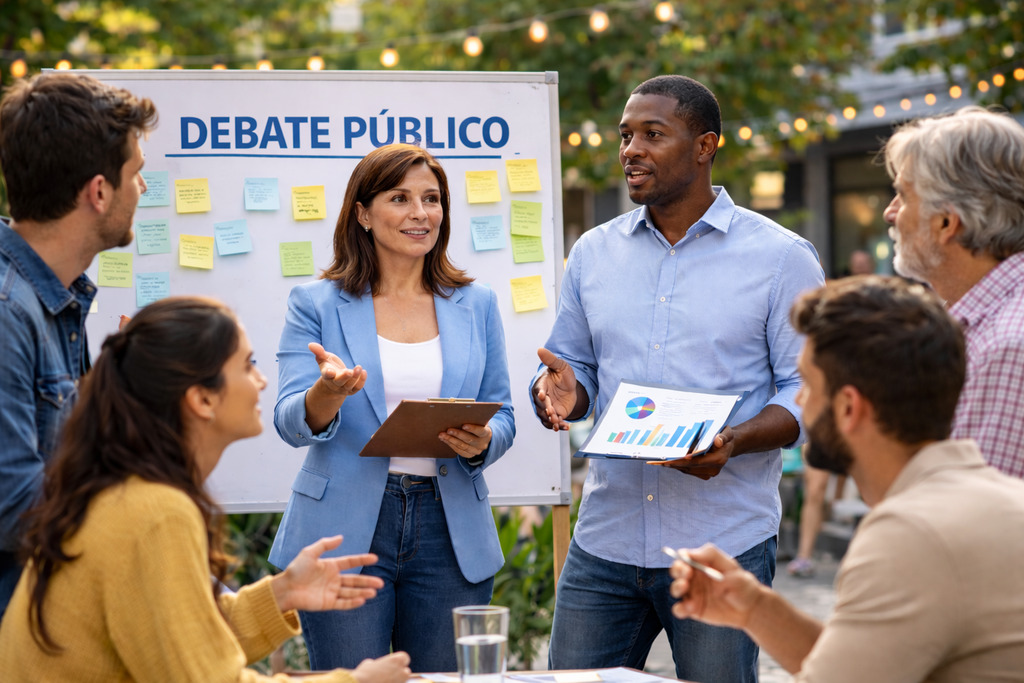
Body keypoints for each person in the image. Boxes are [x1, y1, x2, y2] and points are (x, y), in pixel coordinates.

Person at [531, 75, 824, 681]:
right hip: (605, 539)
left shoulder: (781, 258)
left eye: (652, 134)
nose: (630, 149)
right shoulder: (593, 252)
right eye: (625, 135)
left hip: (721, 544)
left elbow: (806, 390)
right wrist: (562, 391)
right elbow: (575, 367)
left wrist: (733, 442)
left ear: (704, 146)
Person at [0, 297, 412, 682]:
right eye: (248, 365)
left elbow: (184, 635)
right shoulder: (156, 512)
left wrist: (281, 593)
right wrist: (354, 680)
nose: (263, 381)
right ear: (201, 399)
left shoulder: (128, 491)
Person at [669, 275, 1024, 681]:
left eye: (808, 386)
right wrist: (754, 609)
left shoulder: (910, 533)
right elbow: (858, 666)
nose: (798, 402)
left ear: (849, 407)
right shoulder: (992, 497)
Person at [269, 143, 515, 672]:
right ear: (362, 213)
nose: (420, 213)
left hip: (449, 531)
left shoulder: (478, 304)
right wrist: (326, 396)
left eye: (431, 199)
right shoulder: (314, 302)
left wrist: (485, 441)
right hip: (346, 529)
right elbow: (289, 419)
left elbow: (505, 414)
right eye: (400, 198)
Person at [0, 72, 157, 615]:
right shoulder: (7, 314)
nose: (144, 187)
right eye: (136, 173)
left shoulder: (57, 300)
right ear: (98, 191)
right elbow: (14, 506)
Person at [882, 106, 1024, 479]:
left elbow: (974, 520)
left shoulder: (1007, 345)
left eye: (903, 196)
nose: (890, 212)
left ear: (947, 223)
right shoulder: (983, 323)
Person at [785, 250, 871, 577]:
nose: (798, 399)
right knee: (816, 486)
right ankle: (805, 555)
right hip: (828, 413)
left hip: (854, 410)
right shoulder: (815, 323)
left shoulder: (865, 312)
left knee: (868, 483)